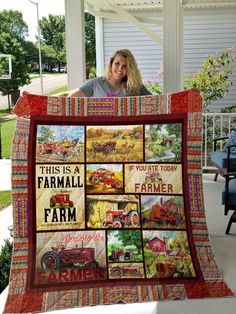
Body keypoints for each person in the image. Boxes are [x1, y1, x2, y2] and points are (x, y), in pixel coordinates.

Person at [57, 49, 152, 97]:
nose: (120, 69)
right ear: (111, 64)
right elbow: (68, 96)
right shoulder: (96, 83)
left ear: (130, 68)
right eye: (117, 64)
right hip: (98, 133)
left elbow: (156, 102)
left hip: (129, 134)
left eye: (125, 66)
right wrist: (43, 101)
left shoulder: (135, 87)